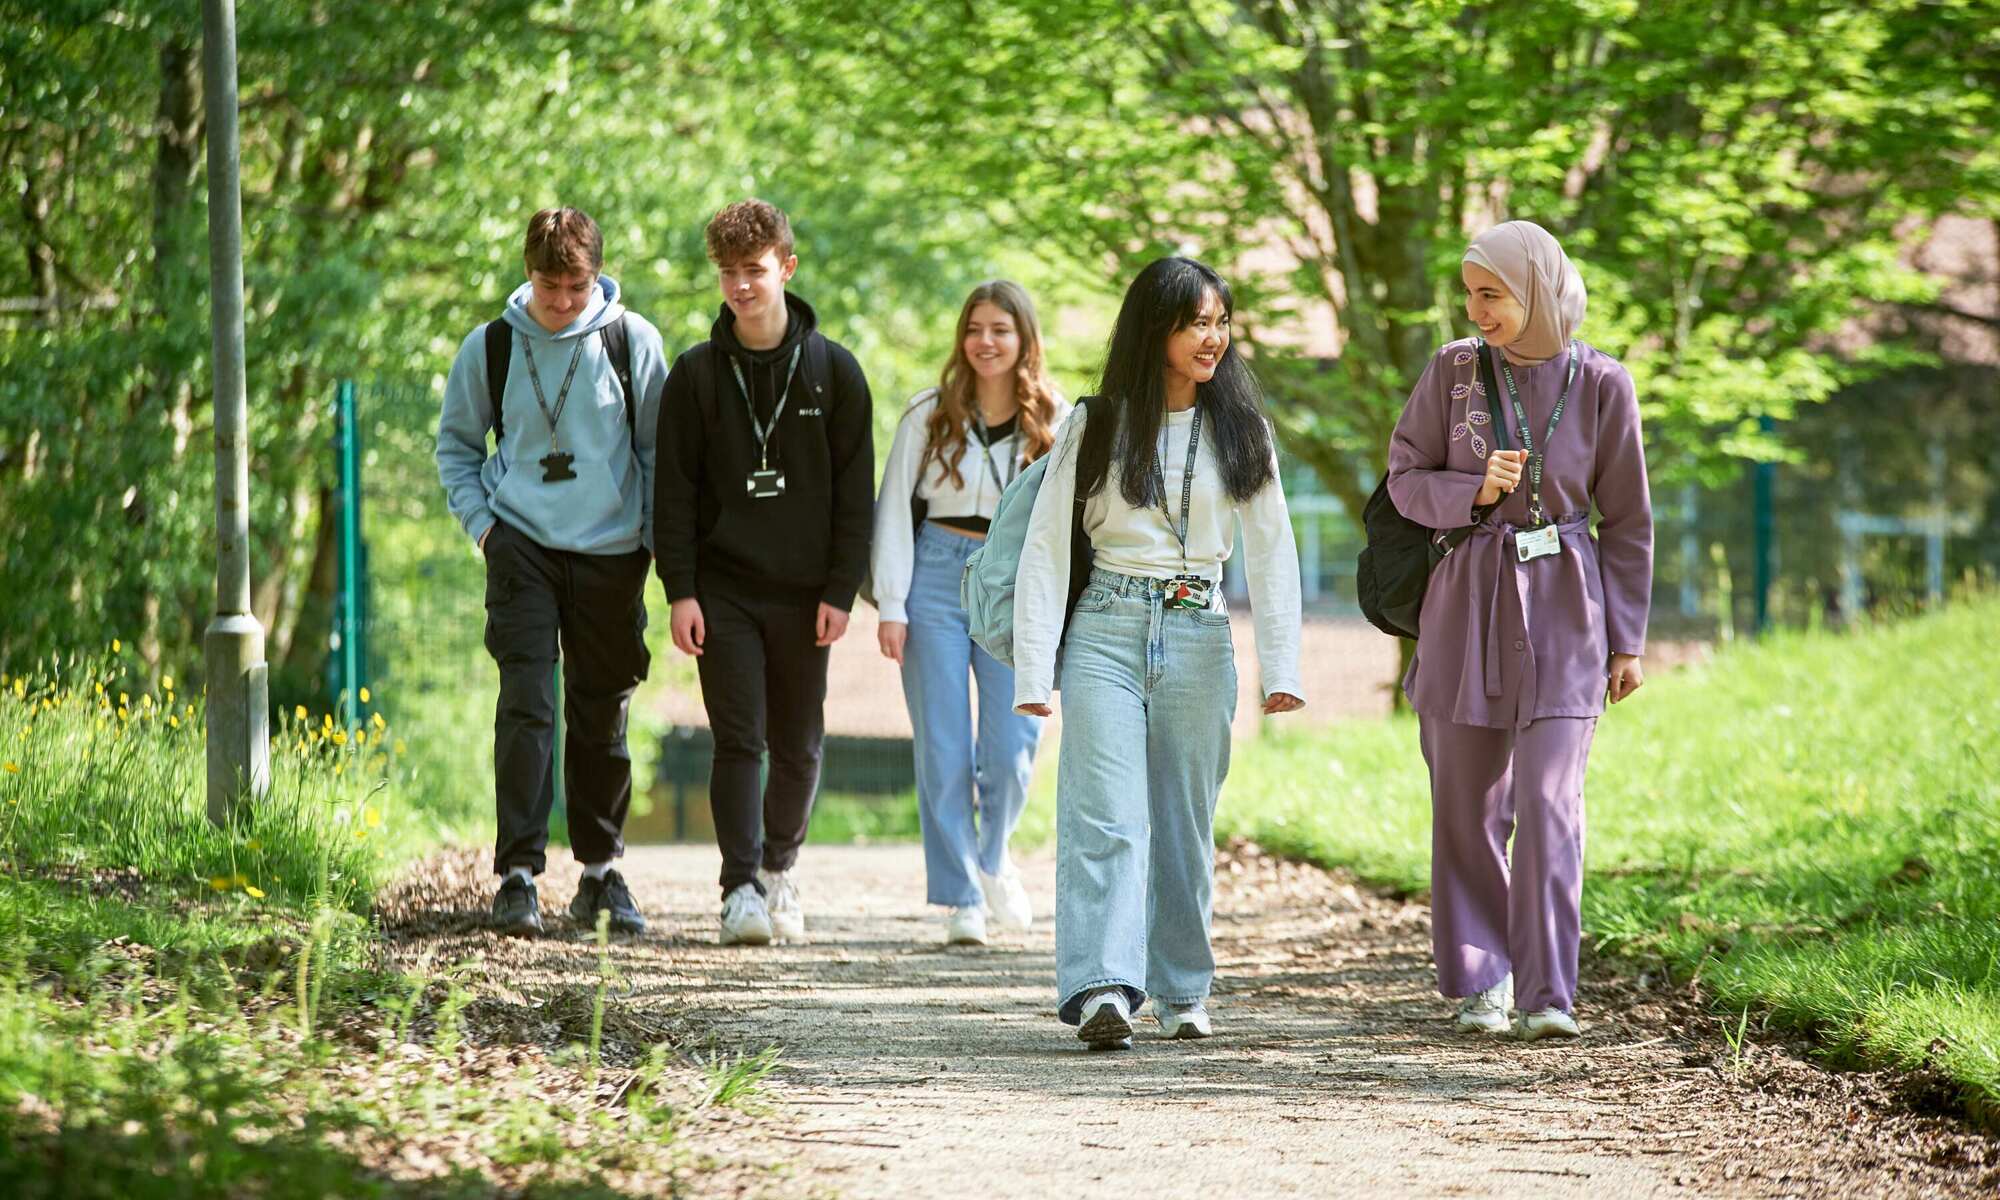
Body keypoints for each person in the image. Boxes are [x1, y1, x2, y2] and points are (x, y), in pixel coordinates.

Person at [1012, 257, 1305, 1050]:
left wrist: (1284, 670)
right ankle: (1104, 987)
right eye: (1195, 323)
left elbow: (1273, 551)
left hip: (1198, 630)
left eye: (1220, 321)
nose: (1213, 338)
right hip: (1104, 625)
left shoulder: (1243, 429)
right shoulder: (1096, 422)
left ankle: (1180, 989)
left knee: (1183, 823)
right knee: (1104, 816)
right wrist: (1034, 670)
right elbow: (1044, 549)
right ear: (1157, 330)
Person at [1385, 219, 1652, 1042]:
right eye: (1470, 294)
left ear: (1536, 290)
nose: (1478, 310)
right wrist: (1469, 489)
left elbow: (1631, 521)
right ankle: (1482, 978)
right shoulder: (1453, 372)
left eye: (1491, 294)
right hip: (1468, 603)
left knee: (1547, 801)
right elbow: (1403, 477)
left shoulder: (1605, 384)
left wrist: (1628, 638)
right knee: (1465, 803)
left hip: (1570, 610)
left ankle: (1548, 992)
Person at [435, 206, 667, 937]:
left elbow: (661, 455)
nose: (562, 301)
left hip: (612, 551)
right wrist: (487, 530)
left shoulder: (633, 343)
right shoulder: (493, 346)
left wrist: (651, 546)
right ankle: (518, 876)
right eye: (548, 285)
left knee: (602, 711)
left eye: (575, 285)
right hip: (522, 547)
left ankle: (601, 874)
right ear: (526, 274)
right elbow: (458, 448)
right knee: (527, 704)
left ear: (595, 275)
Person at [655, 199, 875, 946]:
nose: (741, 287)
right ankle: (739, 887)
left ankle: (781, 870)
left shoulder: (834, 372)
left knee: (801, 742)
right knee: (738, 739)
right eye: (728, 273)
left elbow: (856, 496)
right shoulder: (693, 376)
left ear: (786, 265)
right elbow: (672, 497)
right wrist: (680, 590)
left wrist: (841, 591)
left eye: (754, 270)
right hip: (724, 592)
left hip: (807, 592)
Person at [871, 282, 1068, 946]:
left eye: (1001, 330)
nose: (986, 342)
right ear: (963, 338)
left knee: (1013, 747)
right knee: (945, 745)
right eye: (975, 329)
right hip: (934, 574)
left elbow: (1071, 522)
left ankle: (992, 860)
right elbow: (894, 511)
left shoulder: (1056, 418)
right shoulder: (929, 413)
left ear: (1024, 341)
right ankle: (960, 898)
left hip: (1015, 581)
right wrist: (892, 606)